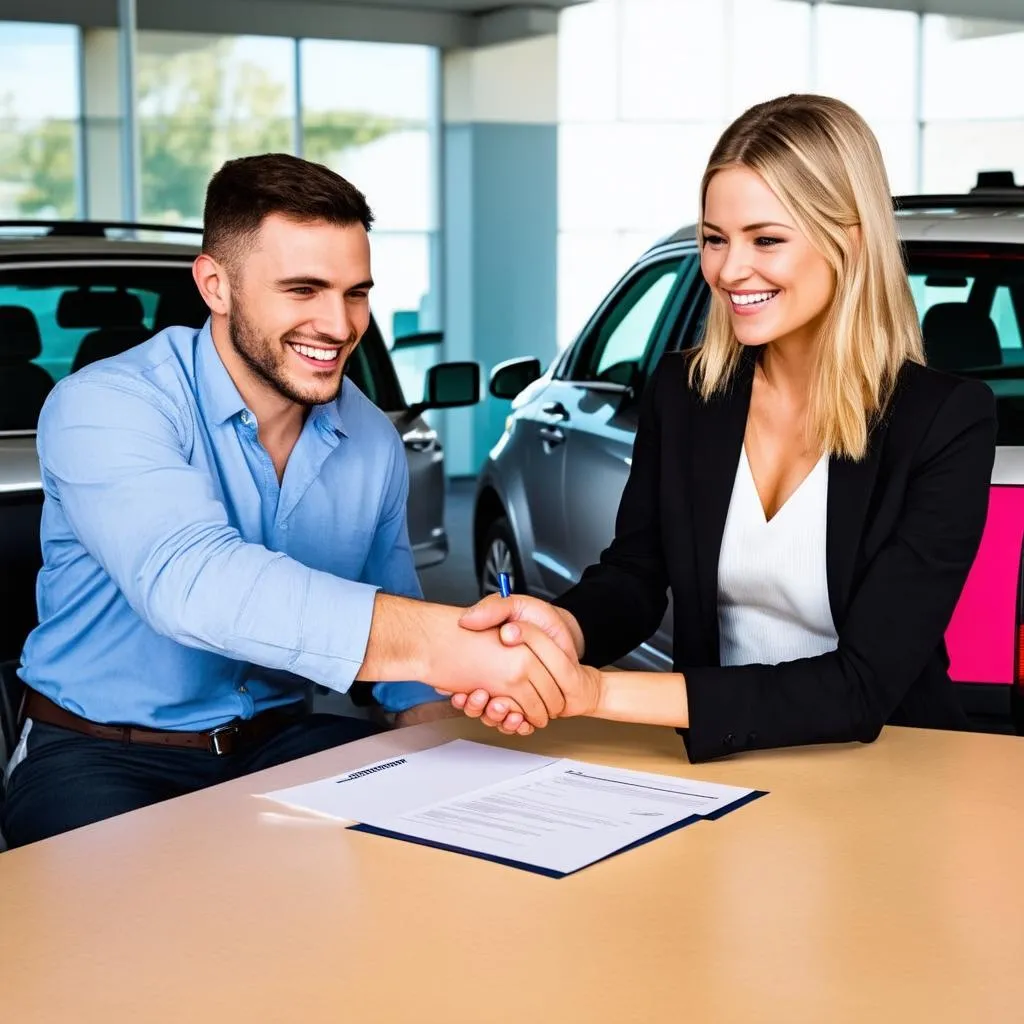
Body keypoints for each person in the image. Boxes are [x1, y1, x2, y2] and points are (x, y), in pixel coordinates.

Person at [1, 154, 566, 848]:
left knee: (452, 856)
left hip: (279, 741)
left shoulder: (371, 438)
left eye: (356, 292)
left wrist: (459, 744)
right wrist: (452, 645)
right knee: (140, 935)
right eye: (304, 290)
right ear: (216, 285)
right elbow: (194, 584)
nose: (338, 325)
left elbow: (401, 657)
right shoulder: (105, 404)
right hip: (97, 748)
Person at [448, 94, 998, 762]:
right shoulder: (684, 392)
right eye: (715, 238)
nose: (729, 271)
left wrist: (590, 693)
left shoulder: (944, 420)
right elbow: (636, 574)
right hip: (729, 763)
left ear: (849, 240)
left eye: (766, 239)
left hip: (886, 767)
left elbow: (863, 685)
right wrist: (563, 625)